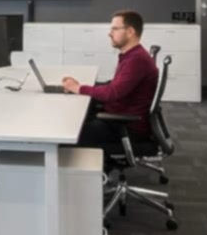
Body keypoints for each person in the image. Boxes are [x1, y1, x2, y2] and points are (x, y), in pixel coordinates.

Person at [62, 10, 159, 152]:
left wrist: (78, 88)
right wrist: (80, 86)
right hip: (118, 118)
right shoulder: (132, 55)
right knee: (75, 119)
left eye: (115, 29)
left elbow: (112, 93)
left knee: (66, 135)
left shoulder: (137, 60)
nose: (109, 33)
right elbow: (114, 85)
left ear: (130, 32)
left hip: (124, 127)